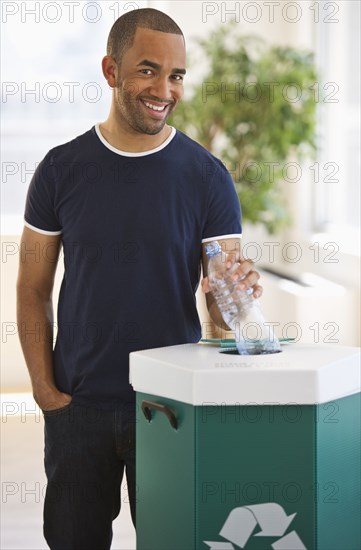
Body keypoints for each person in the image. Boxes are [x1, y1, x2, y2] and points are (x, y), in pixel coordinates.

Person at [16, 8, 262, 550]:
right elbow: (32, 287)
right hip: (78, 406)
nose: (164, 89)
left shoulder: (208, 177)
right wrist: (44, 389)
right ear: (110, 70)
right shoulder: (60, 170)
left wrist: (233, 300)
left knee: (173, 540)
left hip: (171, 405)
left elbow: (225, 317)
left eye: (176, 76)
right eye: (148, 70)